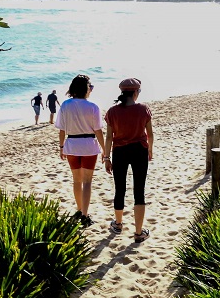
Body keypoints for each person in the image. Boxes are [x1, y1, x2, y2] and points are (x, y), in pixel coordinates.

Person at [103, 77, 153, 243]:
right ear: (135, 92)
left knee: (120, 188)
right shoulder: (143, 109)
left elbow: (109, 137)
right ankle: (138, 233)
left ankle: (118, 224)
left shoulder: (112, 111)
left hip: (120, 152)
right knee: (139, 190)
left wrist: (106, 157)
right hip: (139, 150)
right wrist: (150, 150)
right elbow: (150, 134)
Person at [55, 74, 107, 227]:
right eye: (90, 87)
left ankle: (79, 210)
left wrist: (61, 147)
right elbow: (98, 131)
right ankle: (85, 214)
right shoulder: (93, 107)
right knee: (87, 182)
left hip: (71, 144)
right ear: (85, 88)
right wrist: (105, 150)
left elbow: (62, 130)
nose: (91, 90)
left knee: (76, 180)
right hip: (89, 145)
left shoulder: (65, 105)